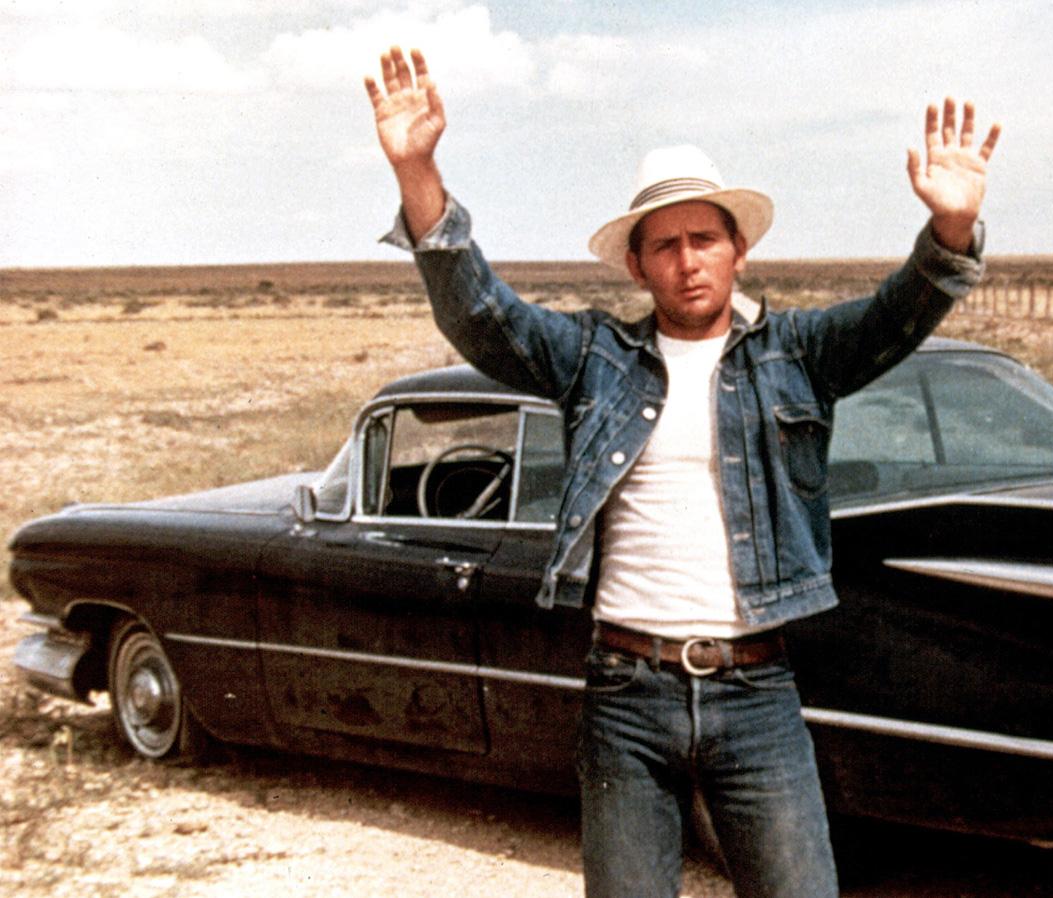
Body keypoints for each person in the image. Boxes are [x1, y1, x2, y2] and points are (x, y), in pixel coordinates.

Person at [365, 45, 999, 898]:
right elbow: (484, 316)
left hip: (757, 692)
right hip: (625, 694)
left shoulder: (800, 353)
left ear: (740, 249)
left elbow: (900, 314)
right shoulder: (595, 356)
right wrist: (419, 172)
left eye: (705, 238)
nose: (687, 260)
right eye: (664, 245)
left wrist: (950, 229)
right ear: (637, 264)